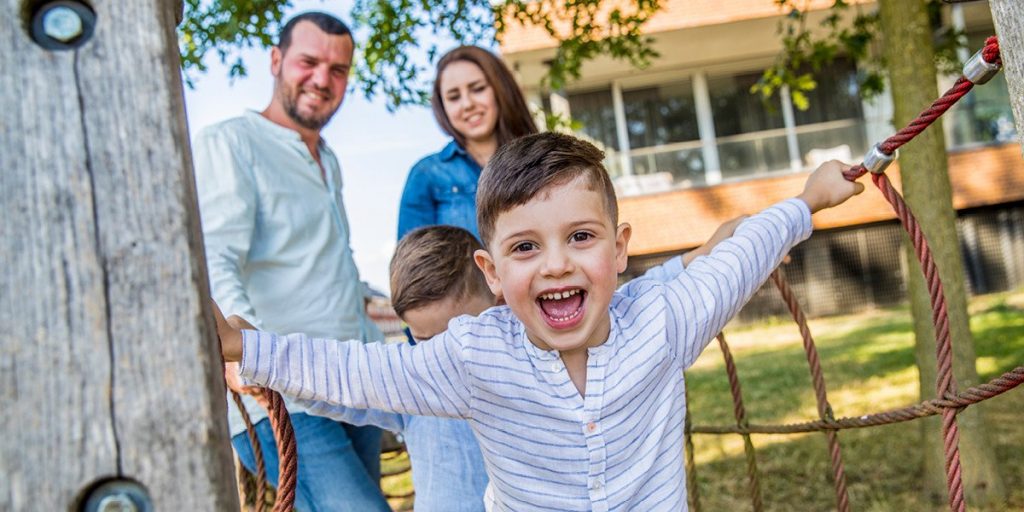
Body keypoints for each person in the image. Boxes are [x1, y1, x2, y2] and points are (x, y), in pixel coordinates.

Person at [217, 132, 864, 510]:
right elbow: (357, 373)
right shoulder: (473, 355)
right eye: (526, 247)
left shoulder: (664, 320)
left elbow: (741, 258)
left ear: (619, 249)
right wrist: (243, 346)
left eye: (580, 237)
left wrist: (808, 201)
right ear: (494, 274)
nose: (556, 265)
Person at [191, 11, 390, 512]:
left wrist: (381, 304)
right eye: (309, 61)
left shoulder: (330, 159)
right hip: (282, 394)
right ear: (276, 61)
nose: (322, 79)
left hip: (352, 383)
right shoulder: (232, 142)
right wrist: (242, 353)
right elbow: (214, 258)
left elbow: (328, 264)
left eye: (338, 69)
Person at [397, 45, 538, 240]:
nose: (467, 104)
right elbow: (411, 267)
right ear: (442, 107)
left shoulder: (541, 162)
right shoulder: (427, 175)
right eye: (454, 97)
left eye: (478, 89)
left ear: (501, 89)